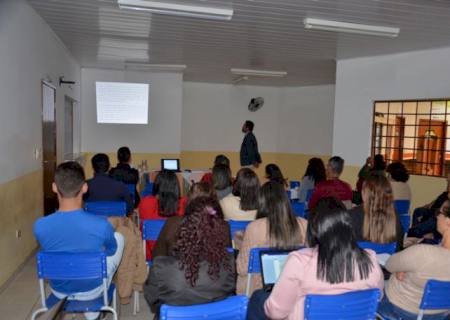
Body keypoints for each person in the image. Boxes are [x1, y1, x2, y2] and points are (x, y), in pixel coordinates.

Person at [247, 208, 384, 320]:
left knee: (258, 298)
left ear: (313, 231)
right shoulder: (370, 258)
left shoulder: (299, 261)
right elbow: (378, 296)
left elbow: (276, 313)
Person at [34, 162, 124, 320]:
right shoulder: (101, 224)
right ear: (84, 188)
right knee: (119, 238)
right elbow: (111, 251)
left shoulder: (40, 226)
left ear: (54, 187)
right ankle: (92, 311)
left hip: (58, 289)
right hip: (93, 288)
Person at [144, 197, 235, 317]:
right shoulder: (230, 264)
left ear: (184, 227)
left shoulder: (161, 268)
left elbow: (154, 301)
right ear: (219, 231)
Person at [377, 200, 450, 320]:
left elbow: (390, 265)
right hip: (442, 315)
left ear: (448, 221)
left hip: (400, 310)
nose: (437, 216)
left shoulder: (423, 253)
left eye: (439, 212)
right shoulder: (425, 254)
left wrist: (401, 270)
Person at [236, 181, 307, 295]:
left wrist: (241, 245)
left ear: (262, 202)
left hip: (261, 292)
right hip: (296, 291)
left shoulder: (254, 228)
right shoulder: (304, 225)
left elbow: (242, 268)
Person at [153, 186, 230, 258]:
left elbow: (157, 256)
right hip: (213, 271)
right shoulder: (224, 226)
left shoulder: (172, 223)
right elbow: (227, 257)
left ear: (188, 201)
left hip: (176, 270)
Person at [348, 175, 404, 250]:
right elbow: (399, 247)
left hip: (360, 260)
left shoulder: (352, 216)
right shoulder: (395, 217)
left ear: (364, 193)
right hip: (387, 261)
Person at [408, 173, 450, 241]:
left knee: (413, 231)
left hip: (436, 217)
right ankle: (416, 234)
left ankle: (417, 233)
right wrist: (427, 206)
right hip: (432, 212)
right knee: (418, 211)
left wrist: (435, 235)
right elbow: (435, 201)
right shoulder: (445, 193)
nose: (447, 178)